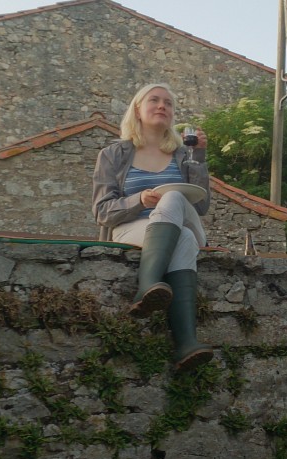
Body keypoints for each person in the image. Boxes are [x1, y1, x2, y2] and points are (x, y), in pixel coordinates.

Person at [91, 83, 213, 373]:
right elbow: (102, 211)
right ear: (137, 109)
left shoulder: (184, 154)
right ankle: (186, 345)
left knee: (173, 199)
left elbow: (199, 207)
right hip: (129, 228)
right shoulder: (113, 155)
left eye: (168, 103)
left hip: (184, 219)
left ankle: (146, 287)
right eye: (154, 100)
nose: (162, 106)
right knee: (182, 237)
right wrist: (139, 200)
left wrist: (199, 158)